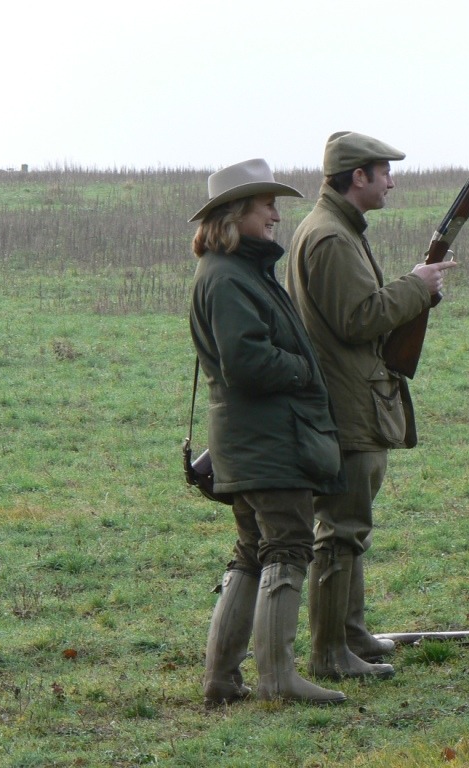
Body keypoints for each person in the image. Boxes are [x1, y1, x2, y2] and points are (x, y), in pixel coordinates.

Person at [285, 132, 456, 681]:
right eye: (384, 172)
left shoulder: (333, 229)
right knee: (341, 532)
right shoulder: (331, 238)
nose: (391, 181)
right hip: (347, 404)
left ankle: (350, 634)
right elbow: (357, 318)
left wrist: (414, 289)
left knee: (349, 528)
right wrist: (417, 286)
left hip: (349, 398)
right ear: (357, 176)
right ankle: (330, 653)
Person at [188, 158, 348, 706]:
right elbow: (247, 362)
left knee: (253, 551)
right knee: (287, 545)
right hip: (267, 443)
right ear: (237, 214)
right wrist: (304, 370)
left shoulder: (234, 270)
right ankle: (276, 678)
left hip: (251, 442)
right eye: (267, 206)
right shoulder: (230, 278)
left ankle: (222, 680)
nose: (277, 216)